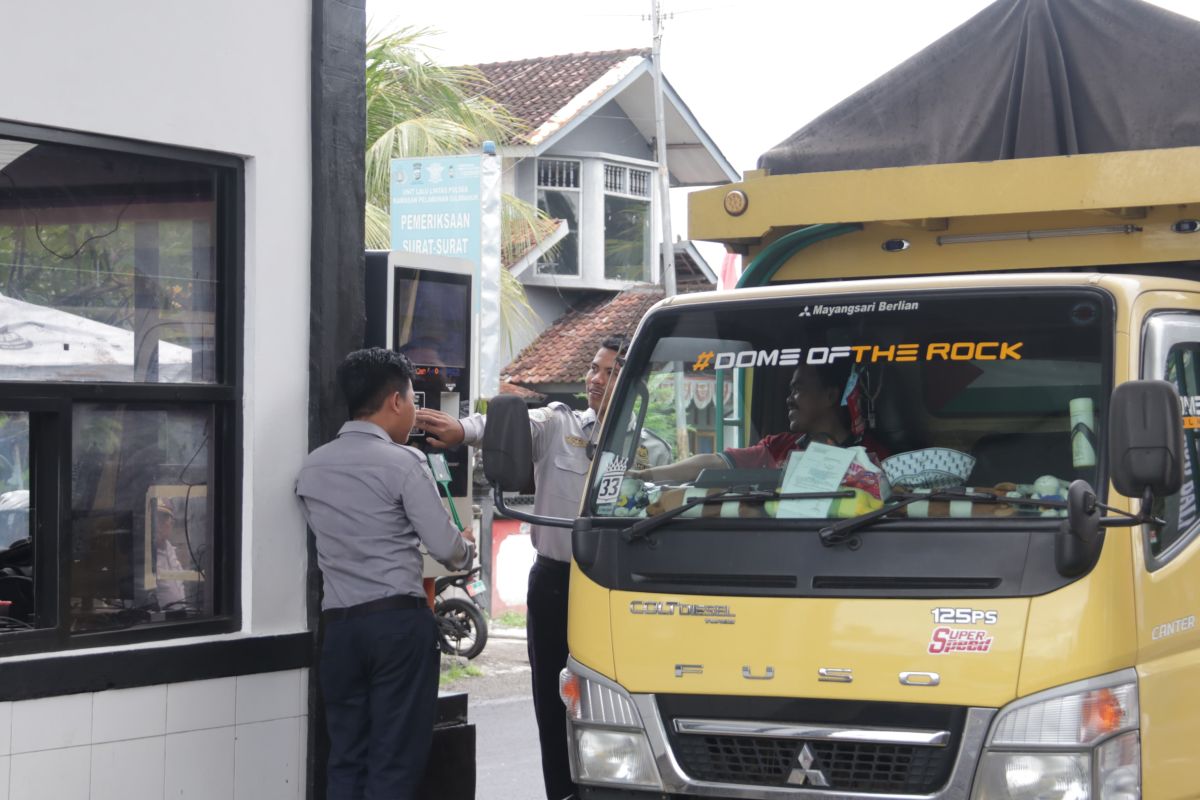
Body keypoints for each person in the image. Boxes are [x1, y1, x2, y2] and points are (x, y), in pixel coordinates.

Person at [416, 334, 668, 800]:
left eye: (609, 371)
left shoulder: (651, 451)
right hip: (557, 582)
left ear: (634, 380)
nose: (595, 379)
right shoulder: (559, 422)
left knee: (621, 704)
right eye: (593, 368)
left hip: (618, 591)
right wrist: (461, 431)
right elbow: (505, 425)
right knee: (554, 705)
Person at [296, 348, 475, 800]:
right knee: (393, 764)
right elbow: (447, 549)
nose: (415, 410)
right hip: (396, 628)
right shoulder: (403, 463)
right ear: (394, 401)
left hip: (339, 631)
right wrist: (465, 545)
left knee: (346, 759)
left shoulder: (311, 467)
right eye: (414, 399)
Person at [630, 361, 887, 484]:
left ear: (830, 395)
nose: (788, 400)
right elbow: (713, 462)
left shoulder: (874, 456)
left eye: (798, 389)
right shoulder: (778, 447)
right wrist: (644, 475)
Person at [152, 499, 187, 608]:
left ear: (171, 524)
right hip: (161, 622)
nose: (157, 524)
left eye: (162, 520)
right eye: (154, 519)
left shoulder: (172, 551)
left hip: (183, 617)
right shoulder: (145, 558)